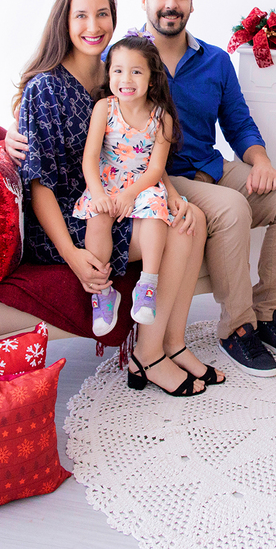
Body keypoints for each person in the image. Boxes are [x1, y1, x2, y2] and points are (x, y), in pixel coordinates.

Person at [11, 0, 276, 377]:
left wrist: (259, 158)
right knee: (214, 213)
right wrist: (11, 134)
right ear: (145, 2)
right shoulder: (119, 64)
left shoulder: (190, 63)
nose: (171, 4)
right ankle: (227, 332)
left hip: (186, 172)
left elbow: (236, 122)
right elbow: (50, 151)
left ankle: (264, 315)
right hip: (128, 188)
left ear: (192, 2)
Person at [15, 0, 221, 396]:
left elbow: (139, 151)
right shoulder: (45, 88)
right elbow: (38, 183)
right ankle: (147, 355)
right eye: (81, 16)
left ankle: (172, 343)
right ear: (64, 22)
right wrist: (72, 255)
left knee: (190, 216)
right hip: (73, 218)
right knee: (182, 232)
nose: (94, 25)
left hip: (120, 199)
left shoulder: (114, 74)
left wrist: (173, 195)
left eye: (103, 14)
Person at [72, 34, 182, 337]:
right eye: (118, 70)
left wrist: (131, 194)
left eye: (136, 71)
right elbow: (89, 159)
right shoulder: (104, 109)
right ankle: (103, 293)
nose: (126, 79)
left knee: (156, 217)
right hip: (107, 181)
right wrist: (98, 194)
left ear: (151, 78)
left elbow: (156, 168)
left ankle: (147, 285)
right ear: (109, 75)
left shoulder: (161, 118)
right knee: (97, 220)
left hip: (143, 184)